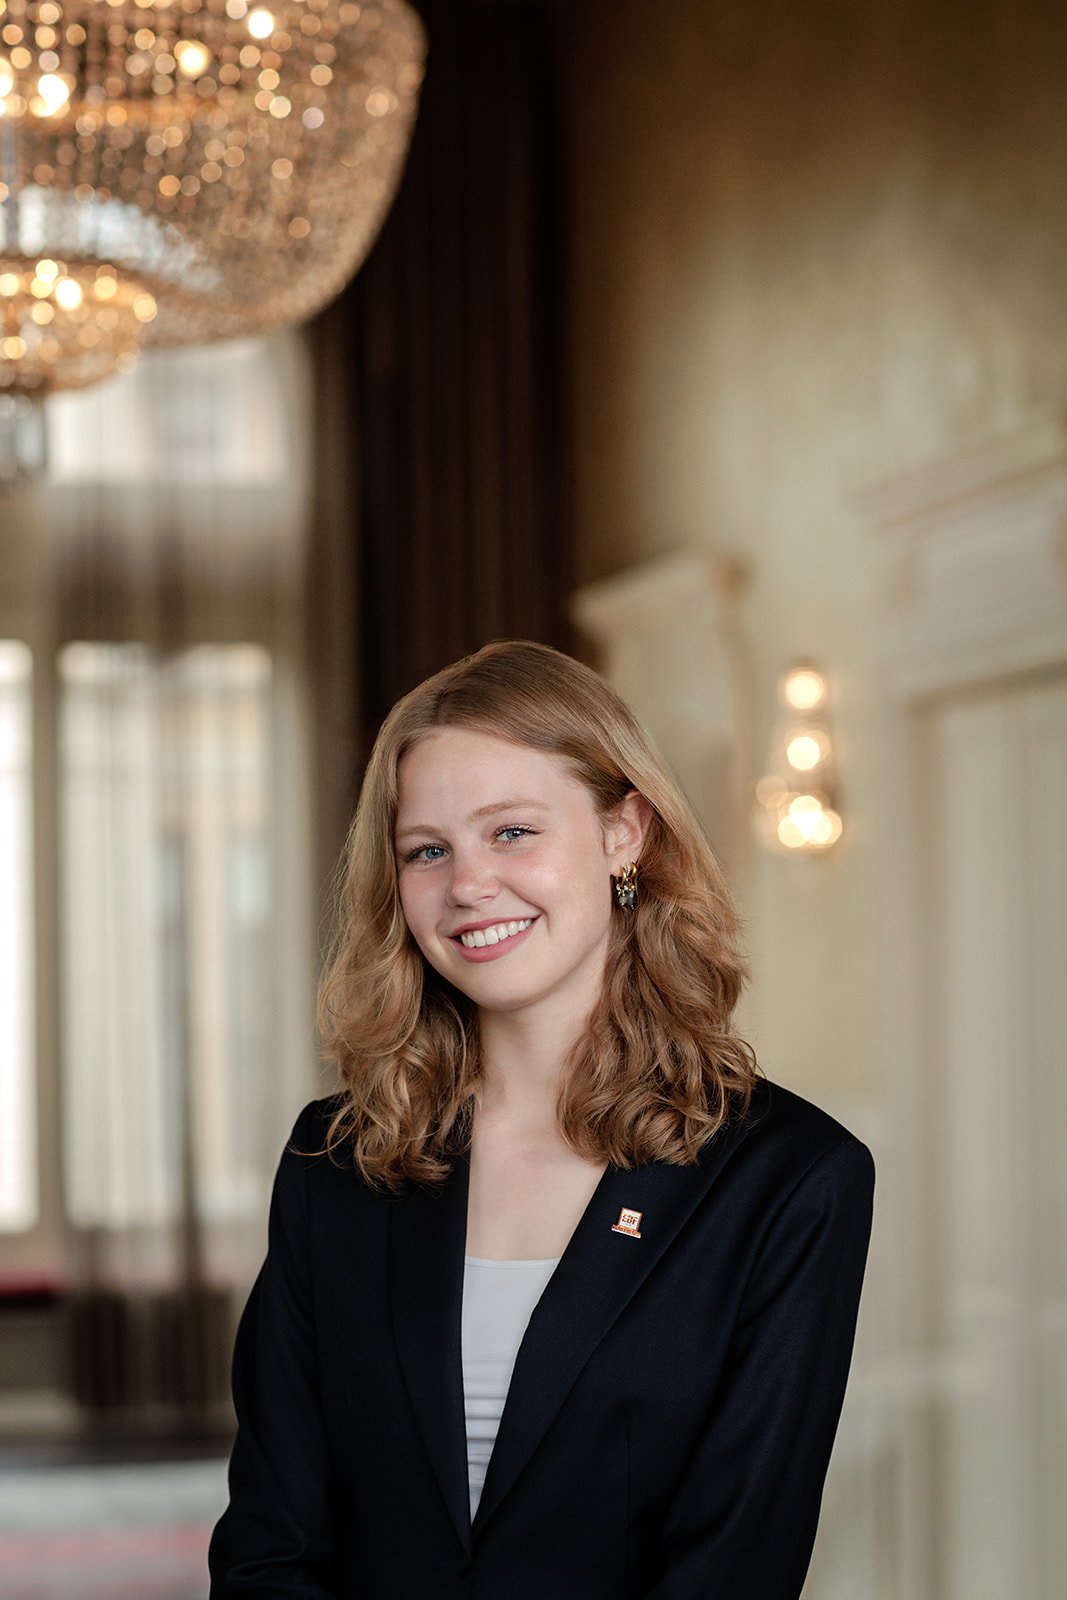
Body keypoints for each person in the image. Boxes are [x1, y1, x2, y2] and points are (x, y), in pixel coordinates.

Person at [209, 639, 874, 1600]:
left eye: (512, 832)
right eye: (427, 850)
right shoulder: (336, 1160)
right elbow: (269, 1545)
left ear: (624, 833)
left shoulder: (791, 1178)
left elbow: (734, 1567)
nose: (467, 884)